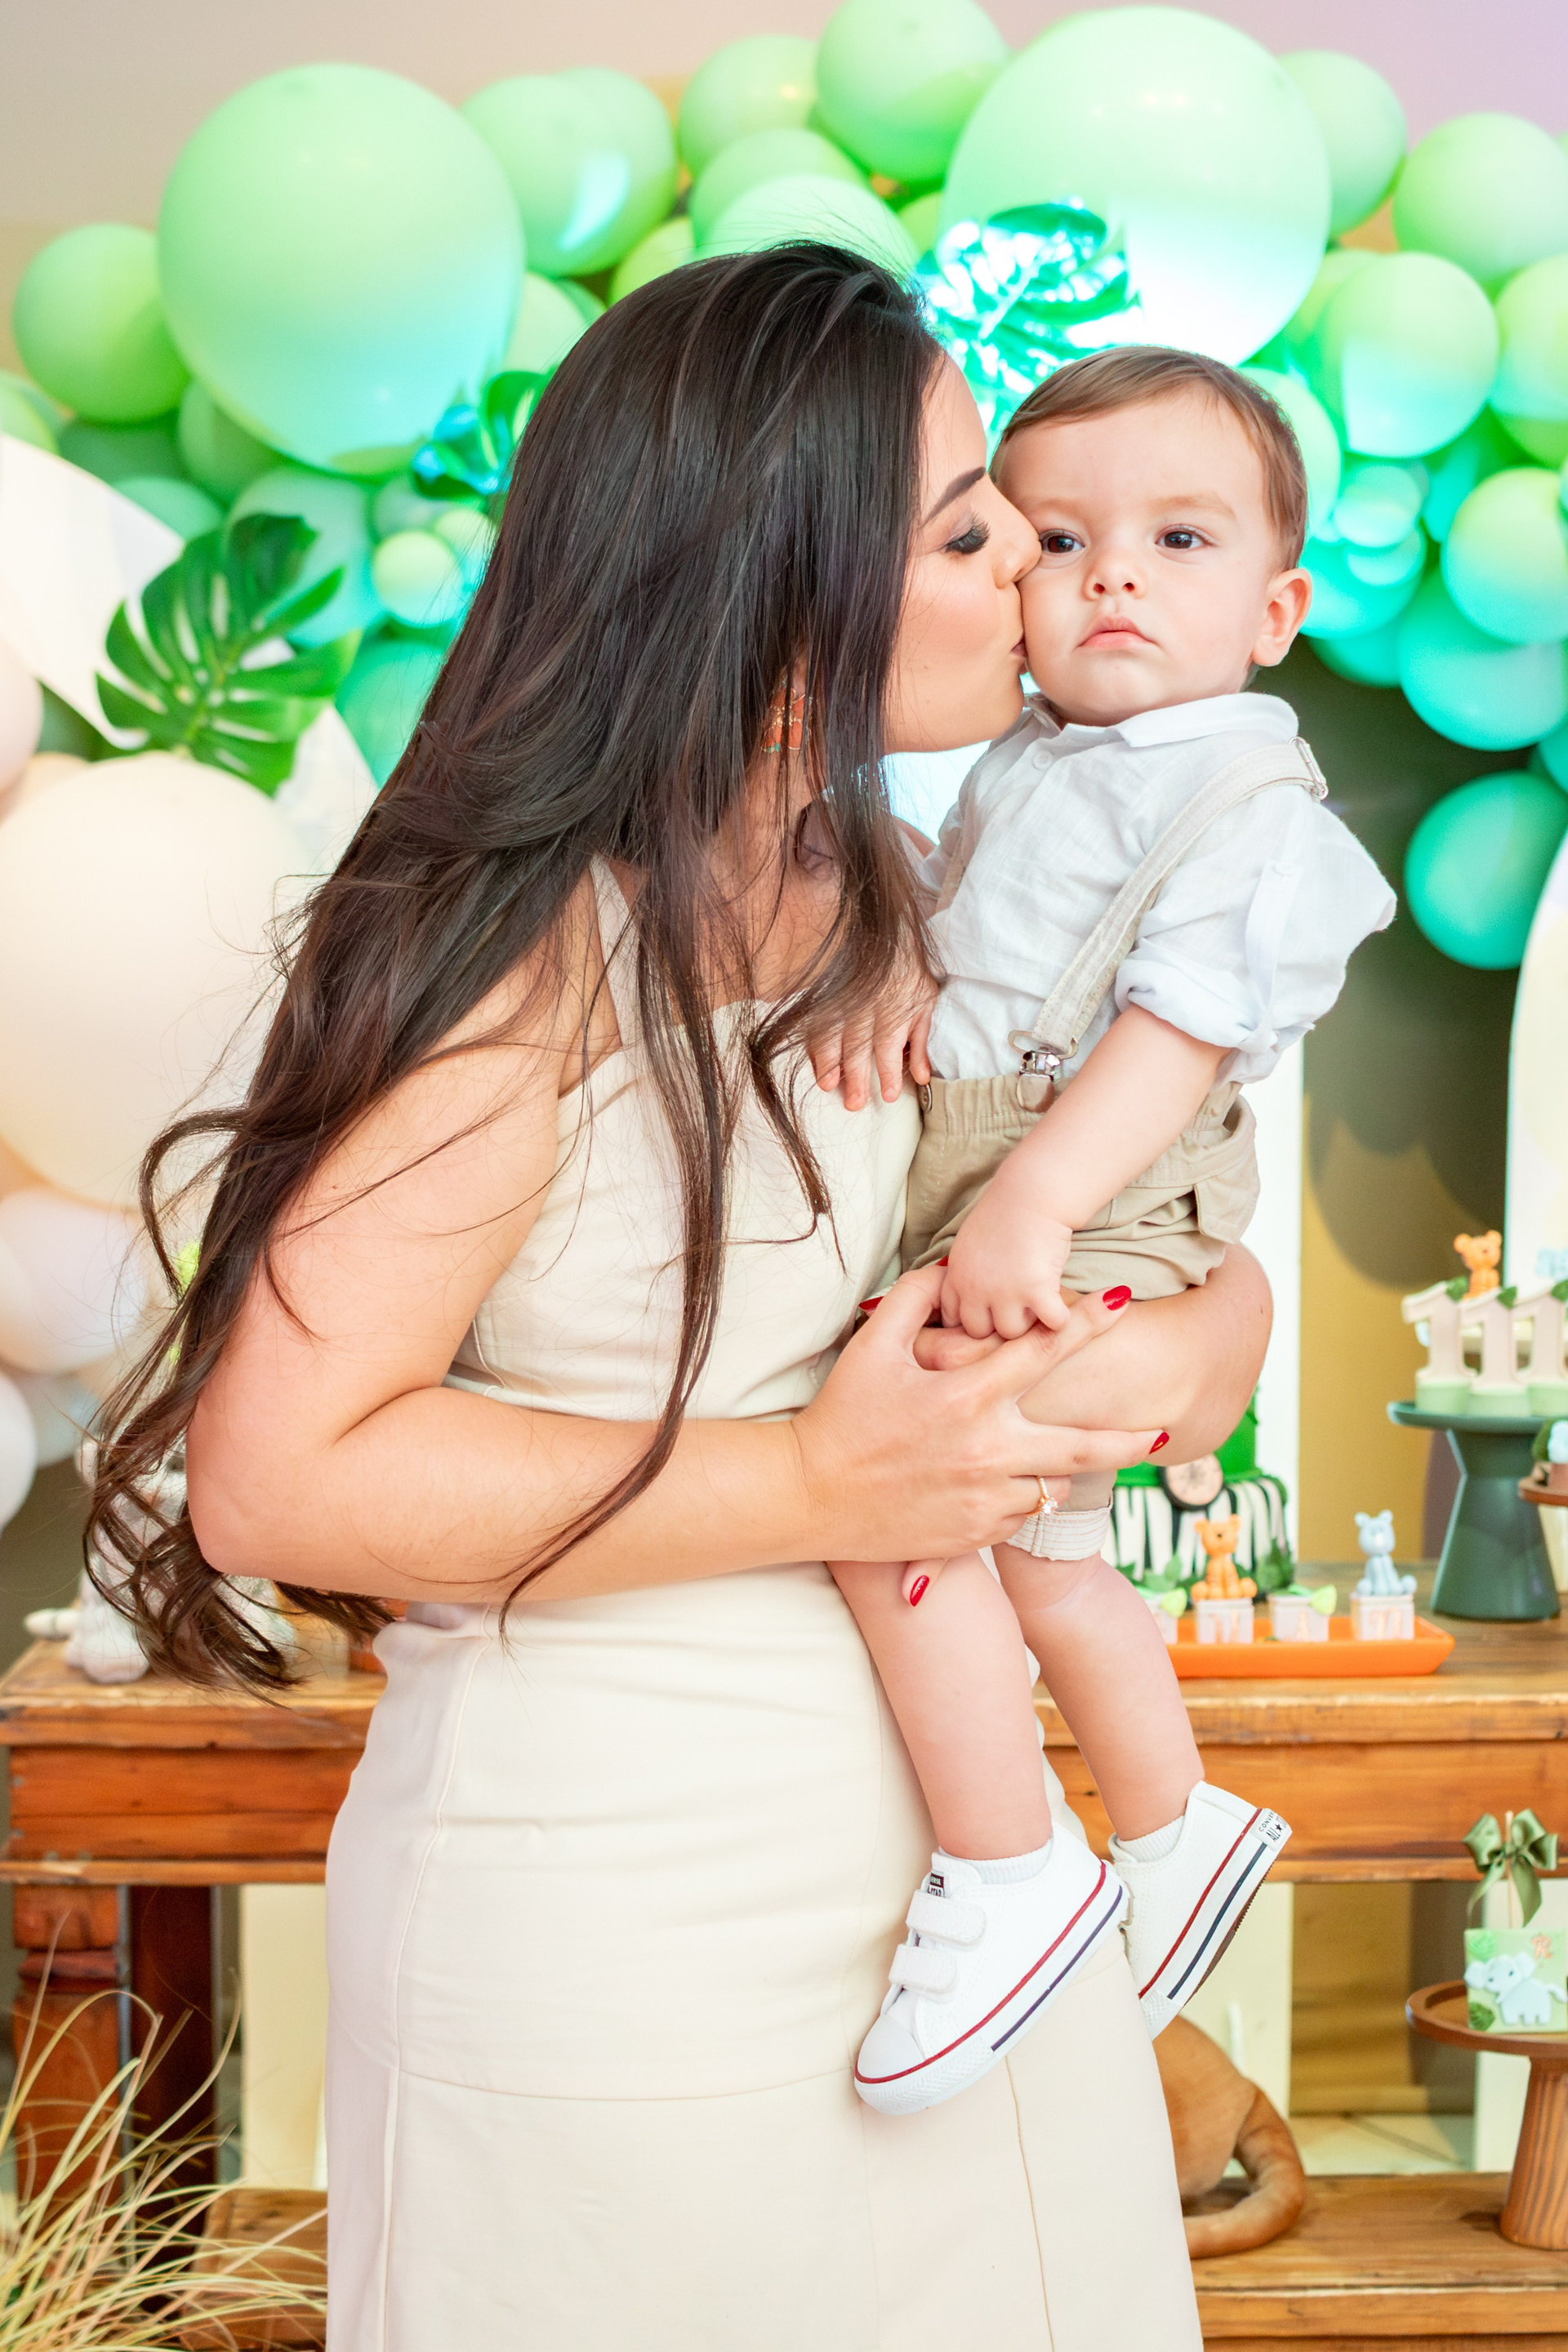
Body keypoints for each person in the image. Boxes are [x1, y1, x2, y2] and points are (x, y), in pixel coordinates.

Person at [91, 253, 1270, 2351]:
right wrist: (822, 1480)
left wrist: (1198, 1341)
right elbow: (277, 1478)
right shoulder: (531, 948)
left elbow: (1145, 1233)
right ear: (775, 601)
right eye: (967, 534)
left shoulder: (899, 895)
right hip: (629, 1901)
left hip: (962, 1888)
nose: (1034, 573)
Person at [818, 348, 1394, 2118]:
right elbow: (984, 945)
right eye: (1059, 541)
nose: (1111, 578)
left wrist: (1037, 1203)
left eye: (1179, 540)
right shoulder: (1038, 763)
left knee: (908, 1516)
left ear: (1277, 610)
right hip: (1001, 1185)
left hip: (1099, 1195)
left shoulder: (1242, 805)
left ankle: (1007, 1874)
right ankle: (1171, 1822)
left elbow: (1176, 1036)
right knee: (1052, 1560)